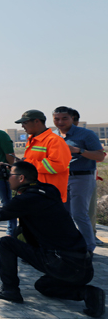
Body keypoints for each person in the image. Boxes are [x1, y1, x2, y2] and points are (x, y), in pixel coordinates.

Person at [0, 161, 105, 318]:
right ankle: (88, 293)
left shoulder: (26, 199)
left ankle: (9, 290)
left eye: (10, 175)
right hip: (83, 267)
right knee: (42, 286)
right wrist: (13, 166)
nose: (7, 178)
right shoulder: (49, 190)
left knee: (7, 243)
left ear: (21, 178)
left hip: (60, 262)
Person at [52, 106, 104, 252]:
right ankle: (68, 246)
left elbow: (100, 156)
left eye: (64, 118)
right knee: (63, 214)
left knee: (79, 214)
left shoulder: (86, 134)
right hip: (61, 178)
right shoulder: (53, 136)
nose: (60, 122)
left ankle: (88, 249)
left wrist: (78, 150)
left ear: (72, 119)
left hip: (82, 177)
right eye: (56, 119)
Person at [16, 109, 72, 204]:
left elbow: (57, 166)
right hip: (35, 192)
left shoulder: (54, 141)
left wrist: (27, 164)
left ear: (37, 121)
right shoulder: (32, 140)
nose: (22, 126)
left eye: (25, 122)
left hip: (49, 195)